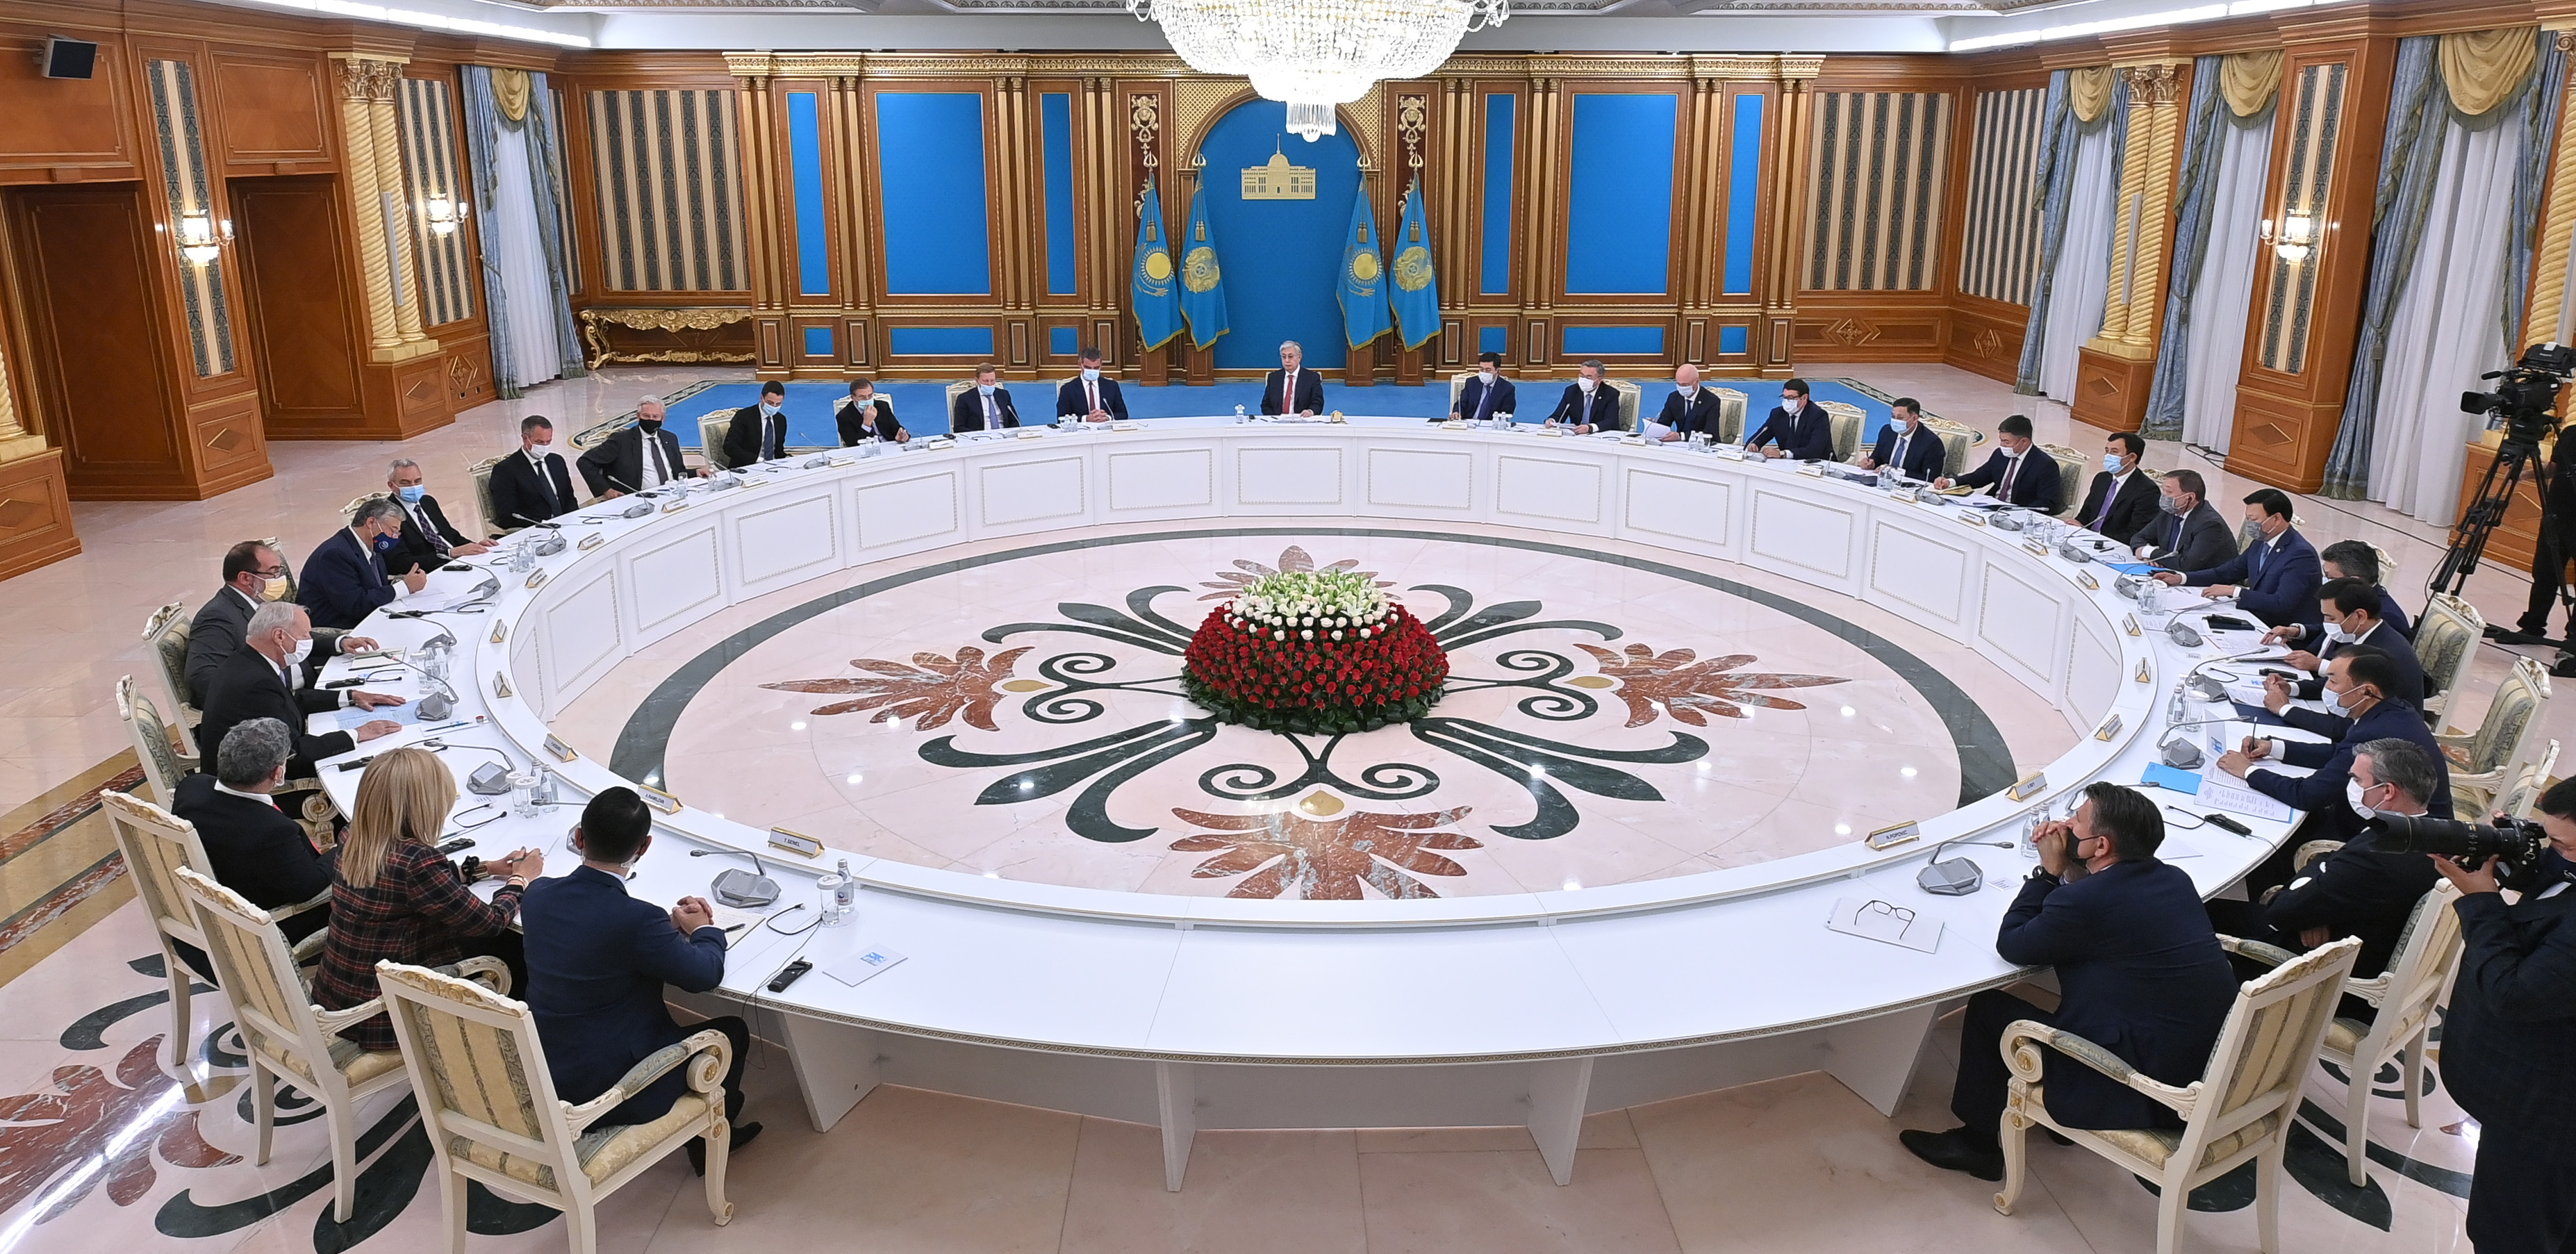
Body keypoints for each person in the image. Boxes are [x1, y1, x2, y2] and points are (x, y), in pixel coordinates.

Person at [1899, 782, 2236, 1180]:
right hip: (2198, 1062)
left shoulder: (2083, 901)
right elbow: (2104, 912)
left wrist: (2048, 873)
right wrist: (2075, 869)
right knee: (2094, 993)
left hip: (2141, 1086)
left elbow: (2013, 944)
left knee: (1988, 1008)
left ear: (2101, 846)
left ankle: (1977, 1147)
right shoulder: (2174, 879)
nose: (2064, 826)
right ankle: (2059, 1128)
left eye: (2076, 821)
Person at [521, 788, 763, 1174]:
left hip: (550, 1066)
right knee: (732, 1031)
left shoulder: (538, 894)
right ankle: (711, 1140)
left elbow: (594, 936)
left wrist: (663, 934)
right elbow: (704, 975)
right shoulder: (637, 919)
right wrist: (704, 931)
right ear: (644, 847)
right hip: (615, 1084)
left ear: (579, 837)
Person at [312, 748, 542, 1054]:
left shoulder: (354, 836)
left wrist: (486, 869)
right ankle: (507, 1056)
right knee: (515, 948)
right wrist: (521, 879)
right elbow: (491, 922)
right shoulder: (417, 862)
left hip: (338, 996)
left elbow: (409, 885)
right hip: (387, 1016)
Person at [2432, 776, 2576, 1253]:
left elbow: (2513, 993)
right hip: (2536, 1096)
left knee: (2510, 1235)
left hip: (2549, 1115)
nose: (2558, 853)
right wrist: (2519, 854)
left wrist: (2481, 901)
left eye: (2566, 846)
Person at [2205, 737, 2441, 995]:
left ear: (2388, 792)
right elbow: (2328, 860)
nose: (2352, 786)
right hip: (2347, 931)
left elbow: (2281, 911)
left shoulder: (2374, 856)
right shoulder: (2431, 835)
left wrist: (2308, 905)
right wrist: (2314, 909)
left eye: (2358, 780)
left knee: (2196, 910)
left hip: (2323, 975)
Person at [2218, 649, 2451, 842]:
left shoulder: (2374, 733)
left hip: (2405, 838)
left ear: (2367, 691)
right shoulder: (2392, 710)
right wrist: (2274, 748)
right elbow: (2340, 753)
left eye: (2333, 681)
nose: (2327, 688)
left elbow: (2306, 795)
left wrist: (2248, 771)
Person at [168, 718, 336, 976]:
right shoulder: (272, 831)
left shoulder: (191, 788)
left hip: (199, 920)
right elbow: (310, 887)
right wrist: (350, 844)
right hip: (258, 933)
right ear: (277, 773)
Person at [199, 602, 404, 782]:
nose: (309, 641)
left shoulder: (248, 661)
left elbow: (288, 701)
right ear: (279, 636)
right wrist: (357, 734)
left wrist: (351, 697)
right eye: (305, 636)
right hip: (253, 785)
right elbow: (293, 751)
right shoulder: (256, 683)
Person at [185, 541, 375, 707]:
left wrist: (340, 642)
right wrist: (265, 696)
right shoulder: (218, 617)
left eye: (280, 571)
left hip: (308, 689)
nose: (279, 579)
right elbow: (202, 676)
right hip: (276, 705)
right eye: (273, 573)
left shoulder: (260, 601)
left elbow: (292, 637)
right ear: (245, 578)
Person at [2149, 488, 2322, 631]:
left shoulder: (2300, 555)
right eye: (2247, 519)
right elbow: (2226, 572)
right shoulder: (2261, 542)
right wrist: (2182, 578)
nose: (2250, 525)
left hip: (2282, 630)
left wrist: (2235, 592)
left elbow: (2281, 603)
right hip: (2256, 618)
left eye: (2254, 520)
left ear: (2276, 519)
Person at [2257, 578, 2425, 720]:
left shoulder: (2384, 655)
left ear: (2360, 616)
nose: (2326, 624)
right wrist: (2292, 688)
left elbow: (2346, 726)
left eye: (2331, 618)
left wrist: (2285, 709)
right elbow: (2340, 684)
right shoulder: (2362, 634)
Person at [2495, 415, 2576, 646]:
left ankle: (2573, 639)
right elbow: (2554, 468)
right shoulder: (2570, 434)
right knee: (2545, 572)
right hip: (2556, 514)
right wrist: (2526, 474)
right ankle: (2532, 626)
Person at [297, 497, 427, 632]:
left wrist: (404, 583)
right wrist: (404, 587)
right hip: (339, 628)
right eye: (392, 531)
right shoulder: (335, 554)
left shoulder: (372, 547)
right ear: (371, 523)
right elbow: (355, 605)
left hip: (366, 617)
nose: (395, 537)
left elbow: (374, 586)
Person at [381, 458, 491, 577]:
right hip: (431, 571)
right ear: (391, 485)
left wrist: (476, 546)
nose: (413, 487)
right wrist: (449, 553)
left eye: (417, 481)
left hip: (460, 562)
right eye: (405, 483)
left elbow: (452, 536)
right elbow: (401, 563)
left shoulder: (428, 502)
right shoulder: (387, 515)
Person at [579, 397, 704, 497]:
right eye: (646, 416)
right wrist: (606, 490)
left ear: (663, 419)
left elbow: (677, 472)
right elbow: (585, 462)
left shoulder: (670, 438)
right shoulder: (621, 440)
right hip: (639, 499)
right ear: (638, 416)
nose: (651, 420)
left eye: (655, 417)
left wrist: (696, 472)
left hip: (673, 495)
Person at [1935, 414, 2060, 513]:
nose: (2002, 445)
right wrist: (1951, 482)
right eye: (2001, 441)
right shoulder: (2000, 454)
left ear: (2024, 442)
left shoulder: (2045, 465)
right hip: (1990, 508)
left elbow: (2047, 502)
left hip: (2017, 514)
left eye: (2006, 442)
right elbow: (1979, 477)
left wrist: (2017, 513)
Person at [2304, 540, 2413, 642]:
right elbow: (2330, 630)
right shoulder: (2349, 597)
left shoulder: (2386, 617)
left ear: (2354, 580)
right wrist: (2300, 631)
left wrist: (2317, 658)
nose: (2326, 582)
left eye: (2331, 578)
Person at [2129, 469, 2236, 572]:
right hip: (2170, 572)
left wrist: (2150, 553)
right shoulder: (2169, 512)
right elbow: (2139, 537)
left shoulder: (2210, 524)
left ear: (2190, 497)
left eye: (2169, 492)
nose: (2164, 496)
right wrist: (2145, 553)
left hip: (2205, 579)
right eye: (2163, 490)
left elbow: (2187, 564)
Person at [488, 416, 582, 529]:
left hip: (567, 524)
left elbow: (569, 498)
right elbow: (508, 515)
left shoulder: (557, 461)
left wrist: (574, 521)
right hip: (535, 529)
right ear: (525, 438)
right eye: (539, 442)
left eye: (548, 442)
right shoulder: (506, 470)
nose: (545, 446)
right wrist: (544, 524)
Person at [2075, 432, 2158, 541]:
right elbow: (2086, 514)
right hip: (2085, 538)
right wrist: (2077, 523)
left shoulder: (2147, 490)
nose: (2108, 456)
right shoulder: (2102, 478)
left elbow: (2136, 533)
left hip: (2113, 544)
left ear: (2132, 457)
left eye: (2114, 452)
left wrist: (2097, 539)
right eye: (2107, 451)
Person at [1857, 397, 1945, 481]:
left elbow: (1930, 478)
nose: (1895, 421)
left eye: (1900, 418)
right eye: (1893, 416)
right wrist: (1872, 463)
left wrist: (1897, 472)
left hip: (1910, 487)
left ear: (1914, 418)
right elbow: (1878, 457)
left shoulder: (1931, 443)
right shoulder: (1887, 431)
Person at [1745, 377, 1831, 461]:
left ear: (1804, 398)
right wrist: (1755, 444)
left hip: (1817, 464)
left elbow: (1815, 450)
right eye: (1784, 397)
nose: (1786, 402)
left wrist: (1783, 454)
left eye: (1790, 398)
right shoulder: (1778, 414)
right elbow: (1761, 435)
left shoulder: (1818, 416)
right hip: (1787, 464)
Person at [720, 380, 791, 467]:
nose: (774, 406)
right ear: (762, 398)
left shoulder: (781, 420)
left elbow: (778, 451)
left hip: (774, 467)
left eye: (778, 404)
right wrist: (759, 461)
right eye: (770, 403)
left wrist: (788, 458)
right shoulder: (744, 416)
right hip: (747, 467)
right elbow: (730, 447)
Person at [1546, 358, 1623, 434]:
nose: (1584, 380)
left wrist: (1590, 428)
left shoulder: (1610, 394)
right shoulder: (1572, 391)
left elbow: (1611, 421)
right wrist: (1551, 421)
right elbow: (1559, 415)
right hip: (1577, 435)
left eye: (1589, 377)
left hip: (1601, 435)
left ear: (1599, 380)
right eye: (1582, 376)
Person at [1649, 364, 1722, 442]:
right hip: (1679, 445)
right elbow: (1664, 423)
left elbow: (1710, 433)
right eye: (1679, 384)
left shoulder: (1712, 401)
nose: (1682, 388)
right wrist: (1654, 427)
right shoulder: (1674, 398)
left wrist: (1681, 436)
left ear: (1697, 381)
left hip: (1703, 444)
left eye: (1685, 385)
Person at [1055, 347, 1128, 424]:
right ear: (1080, 364)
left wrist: (1107, 418)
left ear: (1101, 365)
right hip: (1081, 430)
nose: (1092, 371)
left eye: (1096, 368)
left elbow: (1123, 414)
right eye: (1088, 368)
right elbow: (1061, 418)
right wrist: (1086, 419)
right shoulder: (1068, 389)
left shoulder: (1112, 386)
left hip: (1106, 428)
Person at [834, 377, 907, 445]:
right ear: (853, 397)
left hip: (889, 445)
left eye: (870, 395)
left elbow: (896, 428)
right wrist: (866, 424)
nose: (867, 399)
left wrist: (902, 436)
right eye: (863, 397)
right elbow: (853, 445)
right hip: (867, 449)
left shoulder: (882, 406)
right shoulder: (844, 416)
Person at [950, 363, 1021, 432]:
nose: (989, 384)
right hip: (979, 437)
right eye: (986, 381)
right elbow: (959, 427)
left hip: (1004, 435)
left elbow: (1014, 420)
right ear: (977, 380)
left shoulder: (1003, 395)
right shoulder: (965, 399)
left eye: (992, 381)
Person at [1450, 351, 1515, 424]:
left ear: (1498, 371)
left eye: (1488, 370)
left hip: (1491, 425)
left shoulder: (1507, 389)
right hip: (1469, 423)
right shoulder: (1471, 383)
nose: (1484, 372)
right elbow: (1461, 403)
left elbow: (1506, 413)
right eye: (1481, 369)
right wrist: (1457, 412)